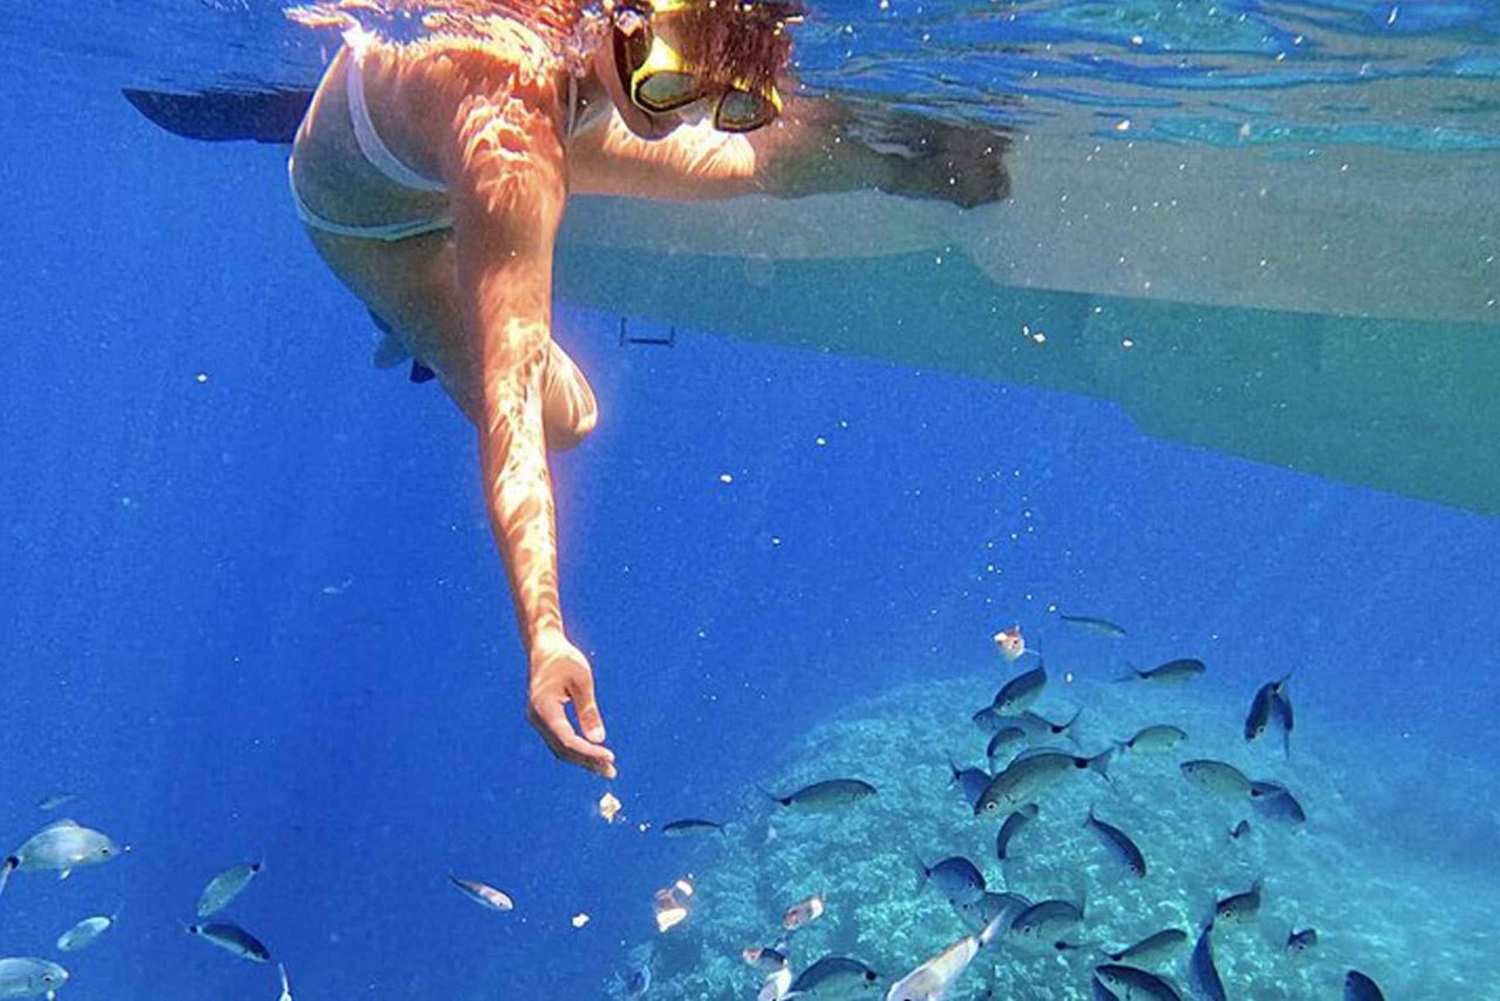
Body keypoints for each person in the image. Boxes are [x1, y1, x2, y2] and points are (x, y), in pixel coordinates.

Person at [281, 0, 1009, 780]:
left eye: (724, 101)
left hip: (485, 143)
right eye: (665, 92)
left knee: (738, 162)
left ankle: (913, 166)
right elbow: (512, 408)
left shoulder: (606, 82)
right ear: (617, 27)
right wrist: (544, 635)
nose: (675, 121)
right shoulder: (513, 144)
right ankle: (408, 330)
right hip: (379, 229)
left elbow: (715, 127)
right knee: (570, 419)